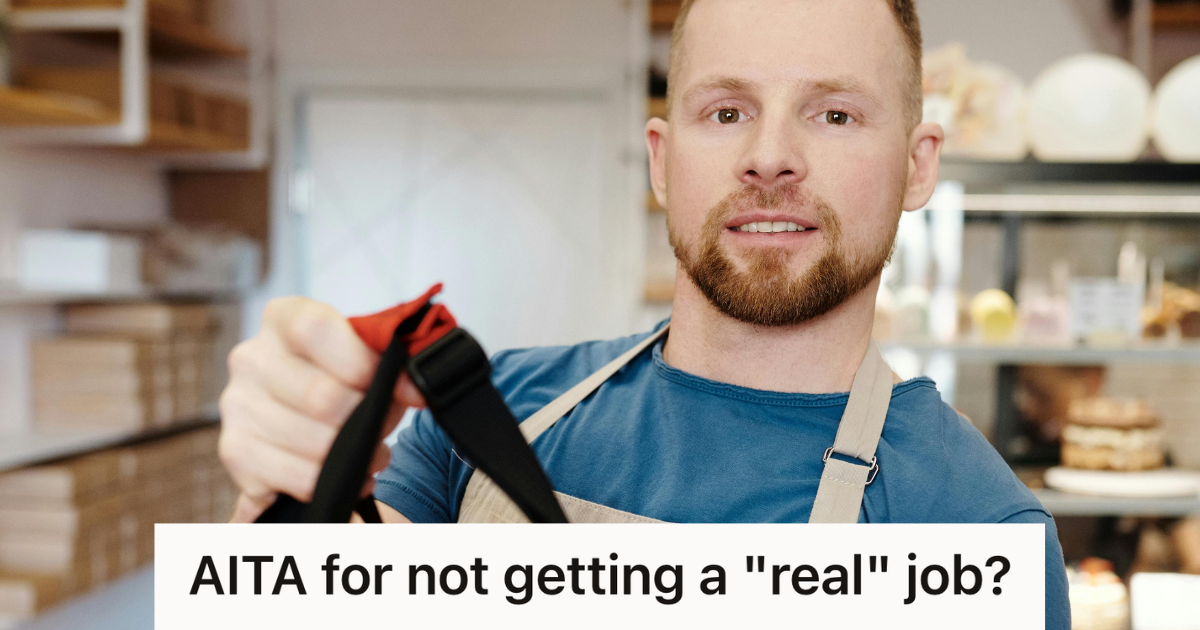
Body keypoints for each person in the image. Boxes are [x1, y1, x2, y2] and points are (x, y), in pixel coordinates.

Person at [216, 0, 1069, 625]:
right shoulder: (486, 411)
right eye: (726, 111)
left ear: (918, 167)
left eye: (835, 113)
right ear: (663, 162)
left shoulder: (980, 532)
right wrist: (280, 501)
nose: (769, 156)